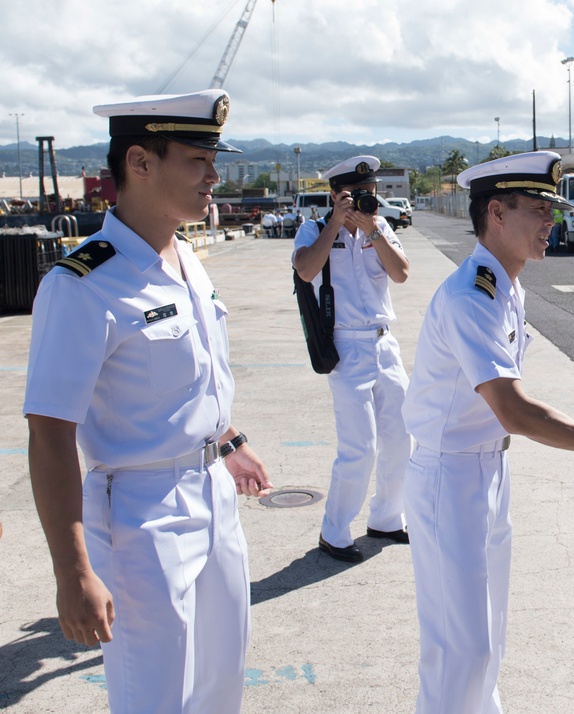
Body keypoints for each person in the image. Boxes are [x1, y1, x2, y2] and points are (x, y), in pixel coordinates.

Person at [24, 89, 274, 713]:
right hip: (142, 516)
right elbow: (50, 434)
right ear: (139, 162)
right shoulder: (83, 284)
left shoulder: (187, 258)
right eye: (198, 160)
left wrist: (228, 441)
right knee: (153, 698)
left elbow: (189, 384)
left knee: (221, 688)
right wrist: (73, 571)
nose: (216, 176)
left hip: (213, 495)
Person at [401, 151, 574, 713]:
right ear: (496, 213)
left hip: (486, 469)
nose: (552, 220)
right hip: (449, 475)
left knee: (488, 638)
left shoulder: (507, 286)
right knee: (462, 647)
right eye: (539, 209)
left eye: (553, 208)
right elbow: (516, 411)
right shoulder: (470, 296)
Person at [292, 155, 411, 563]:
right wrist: (334, 224)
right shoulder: (312, 228)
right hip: (346, 347)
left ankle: (386, 517)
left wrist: (373, 231)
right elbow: (306, 270)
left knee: (400, 437)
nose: (365, 200)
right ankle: (334, 530)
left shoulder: (380, 227)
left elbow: (401, 274)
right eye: (355, 195)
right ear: (334, 195)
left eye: (370, 193)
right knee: (360, 445)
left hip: (384, 342)